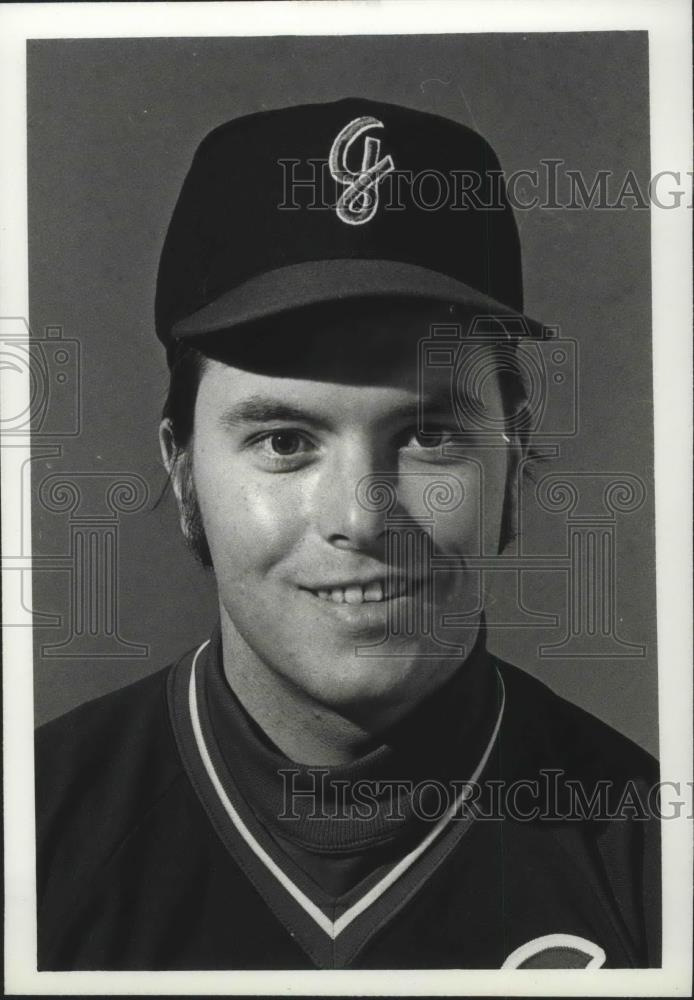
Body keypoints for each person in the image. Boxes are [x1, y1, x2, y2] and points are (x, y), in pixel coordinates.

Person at [35, 97, 660, 971]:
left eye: (430, 437)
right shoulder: (32, 837)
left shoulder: (654, 859)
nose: (363, 519)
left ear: (512, 463)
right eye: (285, 442)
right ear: (184, 476)